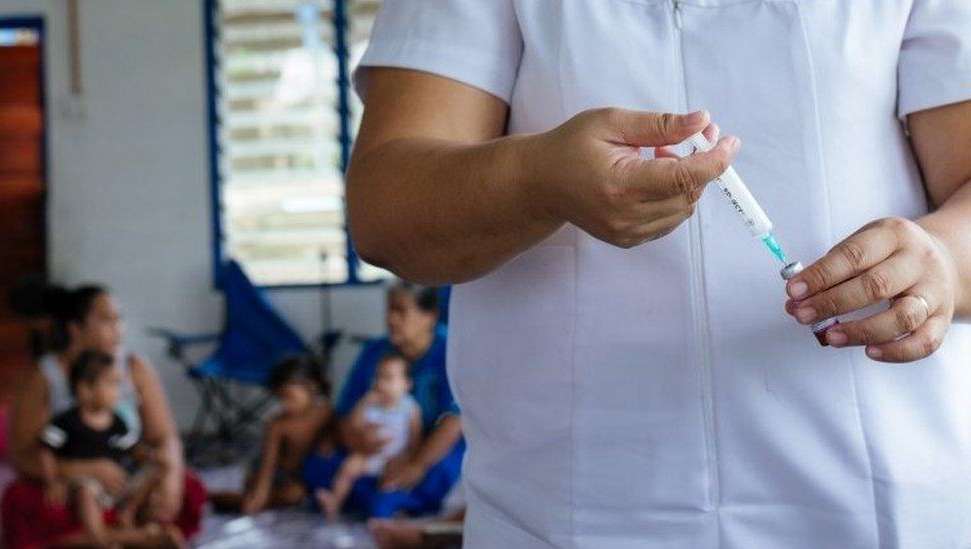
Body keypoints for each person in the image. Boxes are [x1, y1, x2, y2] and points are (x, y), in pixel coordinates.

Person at [346, 1, 971, 546]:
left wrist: (940, 259)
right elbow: (385, 212)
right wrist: (538, 182)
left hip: (879, 505)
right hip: (574, 510)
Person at [1, 284, 206, 548]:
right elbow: (23, 455)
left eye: (119, 320)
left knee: (184, 486)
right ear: (76, 329)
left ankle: (110, 532)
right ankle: (130, 538)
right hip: (74, 485)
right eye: (107, 321)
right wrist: (83, 469)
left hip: (124, 483)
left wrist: (171, 477)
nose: (118, 329)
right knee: (25, 501)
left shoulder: (134, 367)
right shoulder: (42, 378)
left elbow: (164, 436)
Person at [303, 282, 463, 519]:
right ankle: (388, 500)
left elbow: (454, 420)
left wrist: (415, 464)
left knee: (439, 474)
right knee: (317, 466)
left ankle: (378, 497)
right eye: (389, 310)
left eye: (401, 311)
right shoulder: (375, 351)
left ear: (429, 316)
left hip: (426, 447)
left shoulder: (452, 349)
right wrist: (356, 440)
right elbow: (345, 411)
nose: (391, 319)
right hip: (372, 452)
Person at [39, 350, 182, 547]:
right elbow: (46, 449)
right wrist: (52, 481)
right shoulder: (66, 422)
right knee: (85, 491)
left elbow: (131, 448)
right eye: (111, 384)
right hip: (87, 483)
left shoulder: (116, 422)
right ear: (84, 389)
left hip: (116, 484)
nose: (118, 391)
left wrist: (151, 456)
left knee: (156, 469)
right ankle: (100, 535)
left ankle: (127, 513)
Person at [210, 354, 332, 515]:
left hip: (303, 474)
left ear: (313, 387)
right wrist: (259, 497)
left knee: (297, 493)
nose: (285, 405)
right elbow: (268, 464)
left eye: (290, 398)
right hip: (273, 472)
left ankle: (243, 498)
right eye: (280, 399)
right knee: (289, 495)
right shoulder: (278, 424)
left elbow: (334, 441)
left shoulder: (325, 413)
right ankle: (221, 497)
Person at [317, 352, 421, 518]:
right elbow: (354, 424)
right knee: (349, 466)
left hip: (395, 456)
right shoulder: (371, 404)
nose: (381, 384)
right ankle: (334, 501)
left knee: (392, 480)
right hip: (370, 455)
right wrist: (364, 403)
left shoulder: (410, 408)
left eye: (389, 378)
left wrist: (410, 458)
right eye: (378, 377)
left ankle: (391, 508)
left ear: (406, 384)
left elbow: (415, 438)